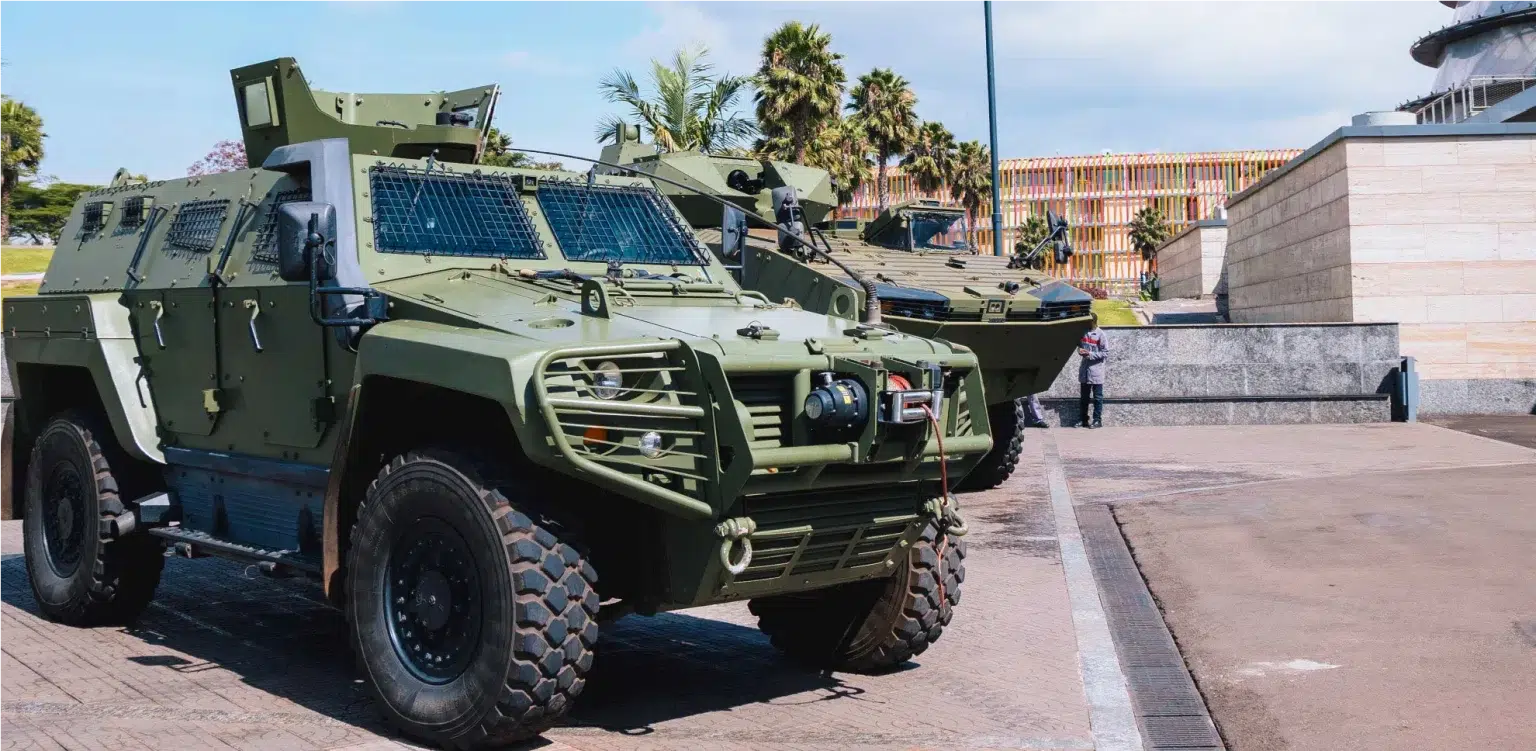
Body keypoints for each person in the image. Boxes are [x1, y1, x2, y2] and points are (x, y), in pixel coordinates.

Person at [1077, 314, 1107, 428]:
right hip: (1085, 370)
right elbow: (1079, 345)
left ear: (1093, 322)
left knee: (1097, 397)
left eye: (1088, 321)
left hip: (1096, 371)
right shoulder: (1083, 332)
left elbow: (1105, 353)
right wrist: (1080, 351)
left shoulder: (1100, 334)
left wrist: (1090, 354)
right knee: (1084, 398)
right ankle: (1083, 420)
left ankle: (1097, 420)